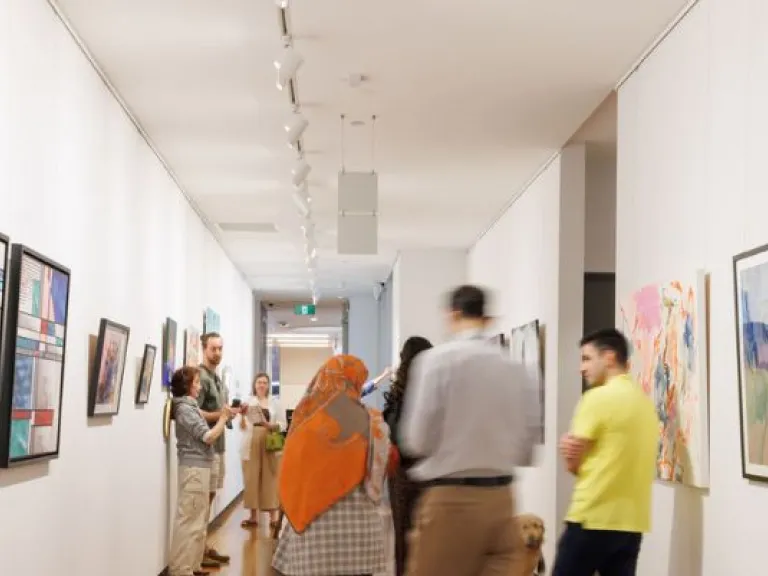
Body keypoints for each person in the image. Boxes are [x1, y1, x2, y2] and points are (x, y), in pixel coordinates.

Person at [399, 284, 541, 576]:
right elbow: (527, 451)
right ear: (486, 317)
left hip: (452, 501)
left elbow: (417, 441)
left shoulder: (437, 361)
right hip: (503, 500)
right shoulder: (516, 368)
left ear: (452, 314)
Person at [272, 355, 391, 576]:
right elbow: (378, 477)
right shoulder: (376, 423)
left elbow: (292, 475)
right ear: (357, 382)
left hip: (314, 528)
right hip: (361, 530)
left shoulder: (305, 424)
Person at [552, 328, 659, 576]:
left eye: (587, 358)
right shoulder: (645, 404)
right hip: (631, 525)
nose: (582, 368)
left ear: (609, 357)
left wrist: (568, 454)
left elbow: (574, 465)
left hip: (592, 517)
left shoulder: (596, 398)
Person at [168, 366, 234, 576]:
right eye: (196, 383)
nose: (198, 386)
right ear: (187, 386)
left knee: (197, 523)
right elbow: (208, 437)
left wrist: (222, 415)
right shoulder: (184, 409)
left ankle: (193, 566)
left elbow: (205, 424)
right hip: (194, 470)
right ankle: (180, 570)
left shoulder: (190, 406)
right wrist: (223, 419)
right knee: (189, 522)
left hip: (199, 469)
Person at [382, 336, 433, 576]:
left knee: (403, 535)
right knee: (430, 537)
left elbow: (392, 431)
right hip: (429, 472)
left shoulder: (398, 392)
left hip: (401, 472)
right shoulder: (433, 391)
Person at [195, 332, 230, 568]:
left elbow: (220, 412)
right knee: (202, 503)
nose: (217, 353)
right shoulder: (201, 378)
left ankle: (204, 546)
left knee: (210, 499)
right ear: (204, 349)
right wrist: (222, 415)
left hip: (219, 446)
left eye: (220, 349)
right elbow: (196, 412)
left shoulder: (216, 378)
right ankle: (198, 552)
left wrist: (230, 414)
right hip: (206, 449)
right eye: (213, 349)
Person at [240, 372, 285, 529]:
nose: (261, 385)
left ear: (268, 385)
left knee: (271, 477)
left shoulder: (275, 402)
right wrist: (242, 416)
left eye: (265, 382)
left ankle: (273, 517)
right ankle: (253, 517)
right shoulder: (248, 402)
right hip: (252, 442)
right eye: (259, 382)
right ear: (254, 384)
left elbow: (283, 424)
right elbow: (243, 426)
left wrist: (271, 425)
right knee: (252, 477)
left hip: (270, 441)